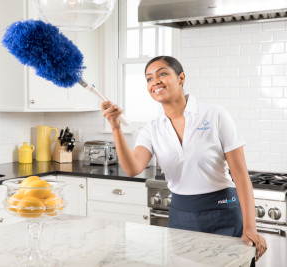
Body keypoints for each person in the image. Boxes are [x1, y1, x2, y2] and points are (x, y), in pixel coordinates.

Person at [101, 56, 267, 261]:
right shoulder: (152, 128)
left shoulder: (214, 115)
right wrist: (115, 126)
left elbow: (241, 175)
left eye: (163, 73)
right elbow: (132, 168)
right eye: (149, 78)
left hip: (223, 209)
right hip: (181, 214)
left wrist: (250, 228)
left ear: (181, 78)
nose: (155, 82)